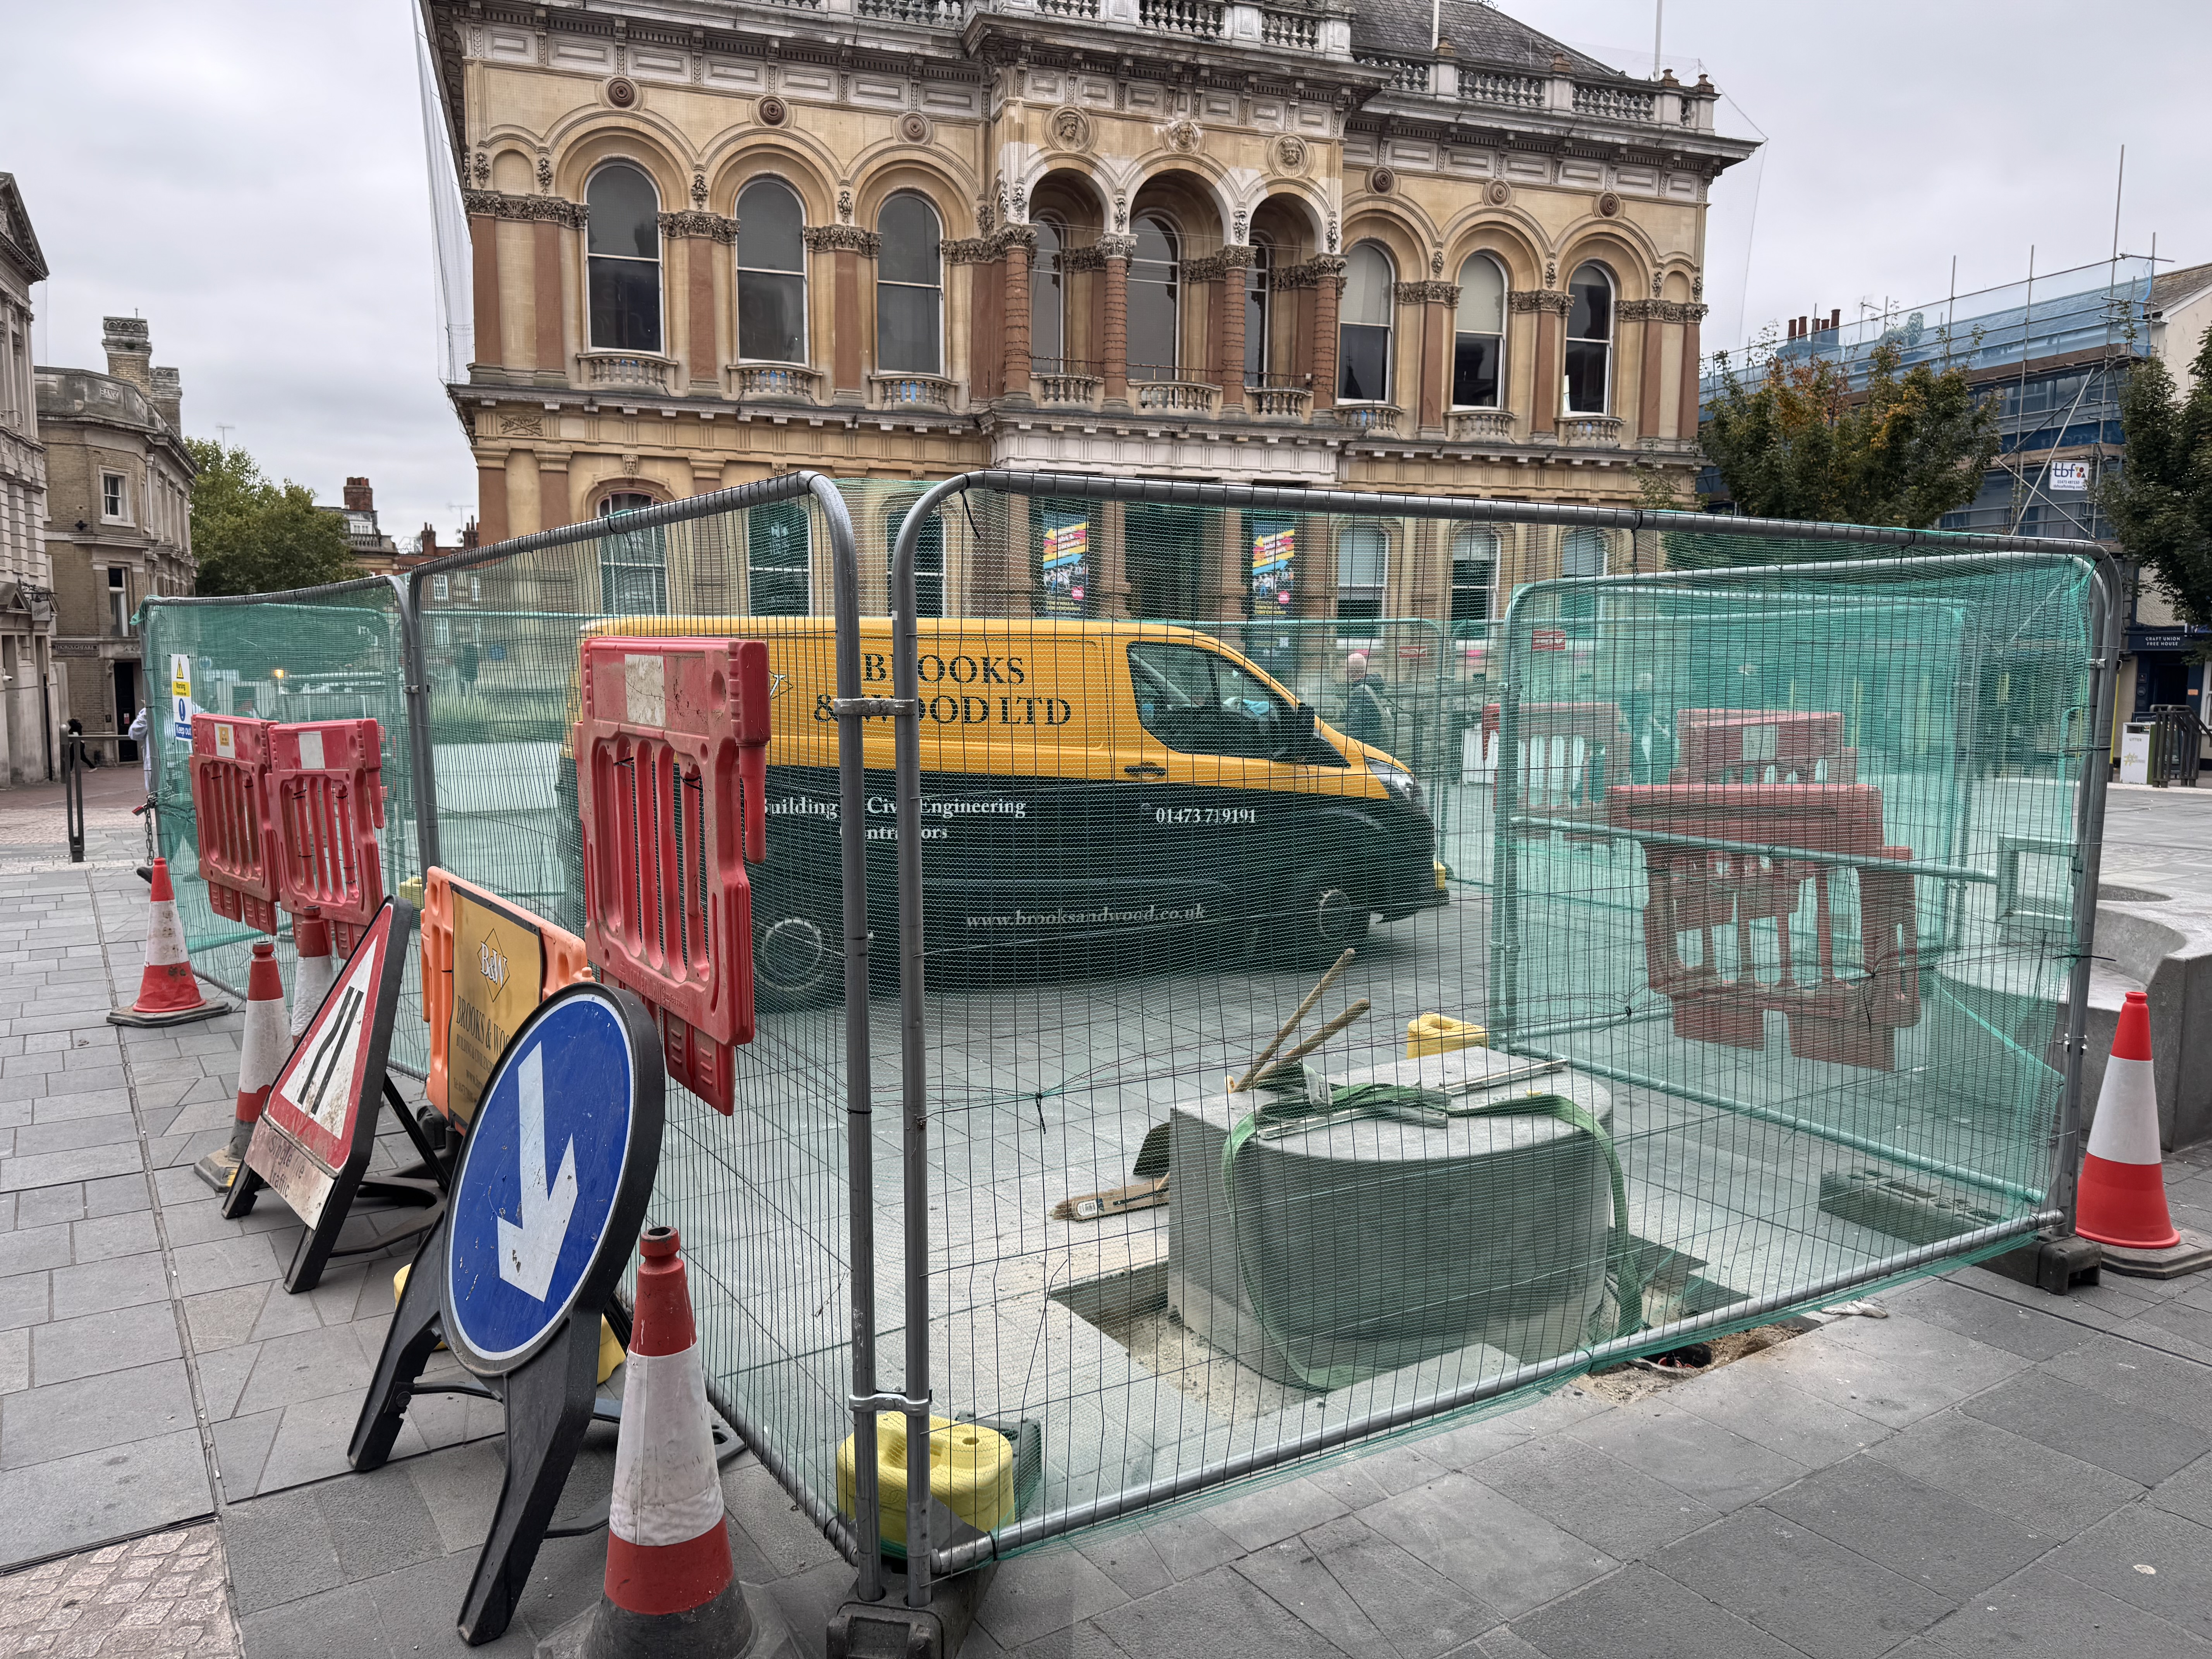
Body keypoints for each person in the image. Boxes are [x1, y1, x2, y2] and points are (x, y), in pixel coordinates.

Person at [1342, 651, 1387, 747]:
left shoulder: (1360, 692)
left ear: (1352, 671)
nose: (1344, 671)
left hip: (1364, 745)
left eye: (1346, 668)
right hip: (1375, 740)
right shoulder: (1373, 686)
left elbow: (1355, 726)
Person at [126, 704, 151, 797]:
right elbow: (133, 734)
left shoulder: (188, 706)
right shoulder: (149, 712)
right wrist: (145, 717)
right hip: (156, 764)